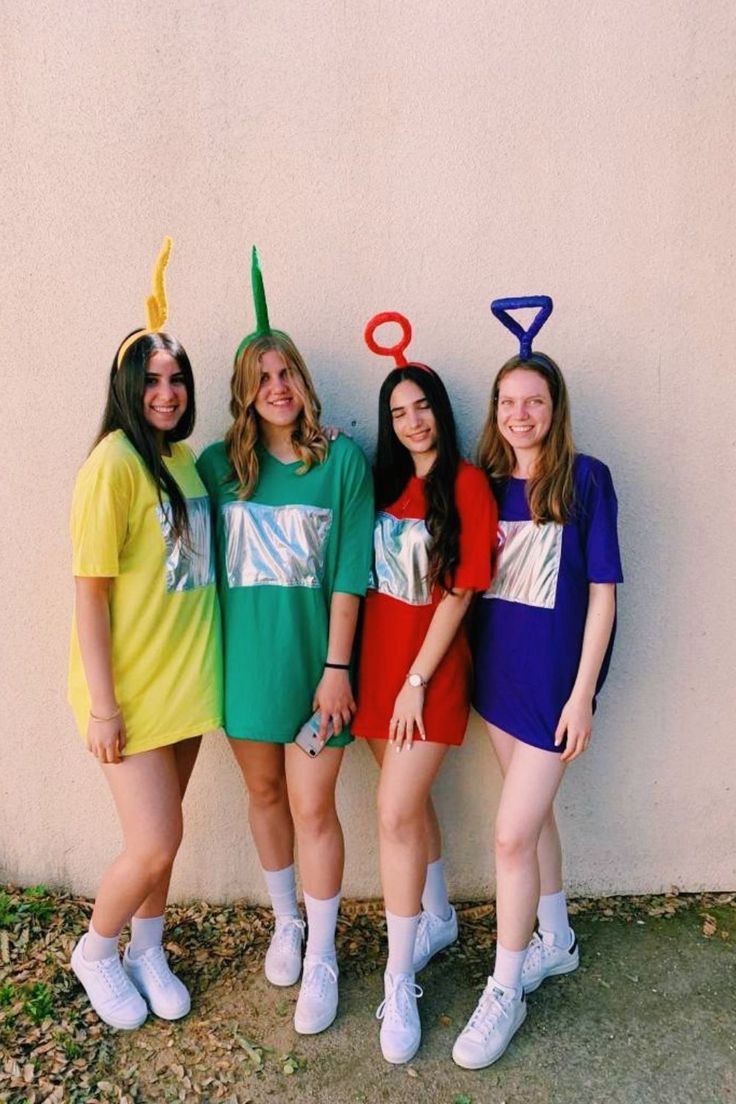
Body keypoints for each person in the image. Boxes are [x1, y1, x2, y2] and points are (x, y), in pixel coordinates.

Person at [197, 248, 373, 1036]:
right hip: (244, 674)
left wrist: (338, 668)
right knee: (264, 796)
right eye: (262, 377)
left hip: (318, 674)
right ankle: (287, 924)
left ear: (303, 380)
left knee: (314, 805)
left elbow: (348, 574)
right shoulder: (214, 468)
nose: (277, 387)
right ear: (245, 391)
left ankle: (326, 950)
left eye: (287, 373)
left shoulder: (341, 463)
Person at [452, 297, 623, 1069]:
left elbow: (604, 593)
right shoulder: (483, 485)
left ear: (555, 410)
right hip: (498, 684)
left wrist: (584, 691)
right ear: (496, 410)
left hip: (557, 691)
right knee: (535, 819)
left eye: (535, 402)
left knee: (510, 833)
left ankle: (505, 987)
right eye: (508, 402)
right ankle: (557, 938)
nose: (520, 414)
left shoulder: (586, 480)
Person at [68, 238, 222, 1029]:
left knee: (170, 833)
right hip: (127, 692)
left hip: (186, 685)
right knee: (155, 842)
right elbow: (89, 596)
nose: (166, 392)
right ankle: (97, 949)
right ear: (128, 387)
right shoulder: (114, 464)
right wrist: (102, 705)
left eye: (177, 379)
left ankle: (148, 947)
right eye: (152, 380)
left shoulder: (186, 459)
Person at [353, 313, 496, 1064]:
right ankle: (436, 915)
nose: (412, 421)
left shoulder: (467, 483)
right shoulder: (381, 483)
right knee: (409, 809)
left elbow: (461, 592)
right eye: (398, 411)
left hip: (425, 677)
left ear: (441, 409)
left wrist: (416, 681)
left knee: (394, 813)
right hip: (375, 669)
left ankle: (398, 973)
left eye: (422, 406)